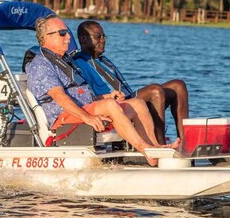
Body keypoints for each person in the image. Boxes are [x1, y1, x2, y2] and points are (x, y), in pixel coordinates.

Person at [25, 14, 169, 166]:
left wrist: (108, 95)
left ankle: (154, 150)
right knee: (110, 105)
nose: (68, 36)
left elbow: (82, 95)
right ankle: (143, 148)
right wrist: (87, 117)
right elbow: (60, 97)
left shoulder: (65, 60)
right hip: (64, 118)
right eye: (62, 33)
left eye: (67, 32)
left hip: (85, 109)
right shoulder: (40, 65)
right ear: (47, 37)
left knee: (138, 103)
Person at [74, 20, 189, 147]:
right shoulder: (78, 63)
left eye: (104, 36)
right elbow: (86, 95)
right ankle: (159, 145)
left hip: (126, 99)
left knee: (178, 85)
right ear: (84, 39)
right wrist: (110, 97)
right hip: (112, 105)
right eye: (98, 36)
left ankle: (185, 144)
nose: (103, 40)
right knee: (155, 91)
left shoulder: (102, 60)